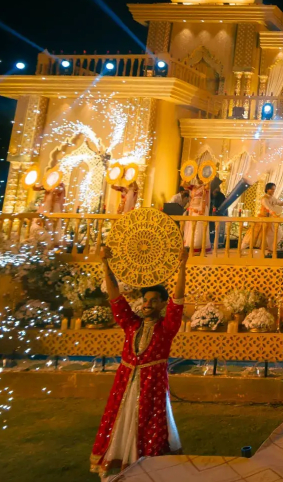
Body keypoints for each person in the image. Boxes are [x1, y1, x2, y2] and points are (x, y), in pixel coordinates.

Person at [90, 246, 188, 478]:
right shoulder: (131, 325)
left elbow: (179, 299)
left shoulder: (166, 329)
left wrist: (182, 265)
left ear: (163, 305)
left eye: (154, 301)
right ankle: (119, 462)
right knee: (121, 422)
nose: (147, 304)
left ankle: (146, 467)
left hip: (151, 388)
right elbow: (115, 297)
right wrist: (105, 263)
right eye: (145, 300)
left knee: (148, 425)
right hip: (125, 385)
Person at [249, 183, 283, 256]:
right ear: (267, 189)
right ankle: (269, 249)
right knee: (256, 235)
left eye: (274, 189)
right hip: (265, 219)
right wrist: (274, 214)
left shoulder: (272, 198)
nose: (273, 191)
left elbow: (280, 202)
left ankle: (270, 249)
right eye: (272, 189)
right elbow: (268, 208)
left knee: (279, 233)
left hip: (272, 218)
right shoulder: (264, 199)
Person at [181, 180, 210, 255]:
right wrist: (186, 177)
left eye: (201, 177)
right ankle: (190, 245)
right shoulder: (193, 187)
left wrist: (207, 179)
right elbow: (183, 184)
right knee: (190, 226)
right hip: (192, 209)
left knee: (198, 226)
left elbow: (208, 187)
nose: (200, 179)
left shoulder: (204, 187)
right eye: (199, 177)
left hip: (200, 208)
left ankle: (197, 246)